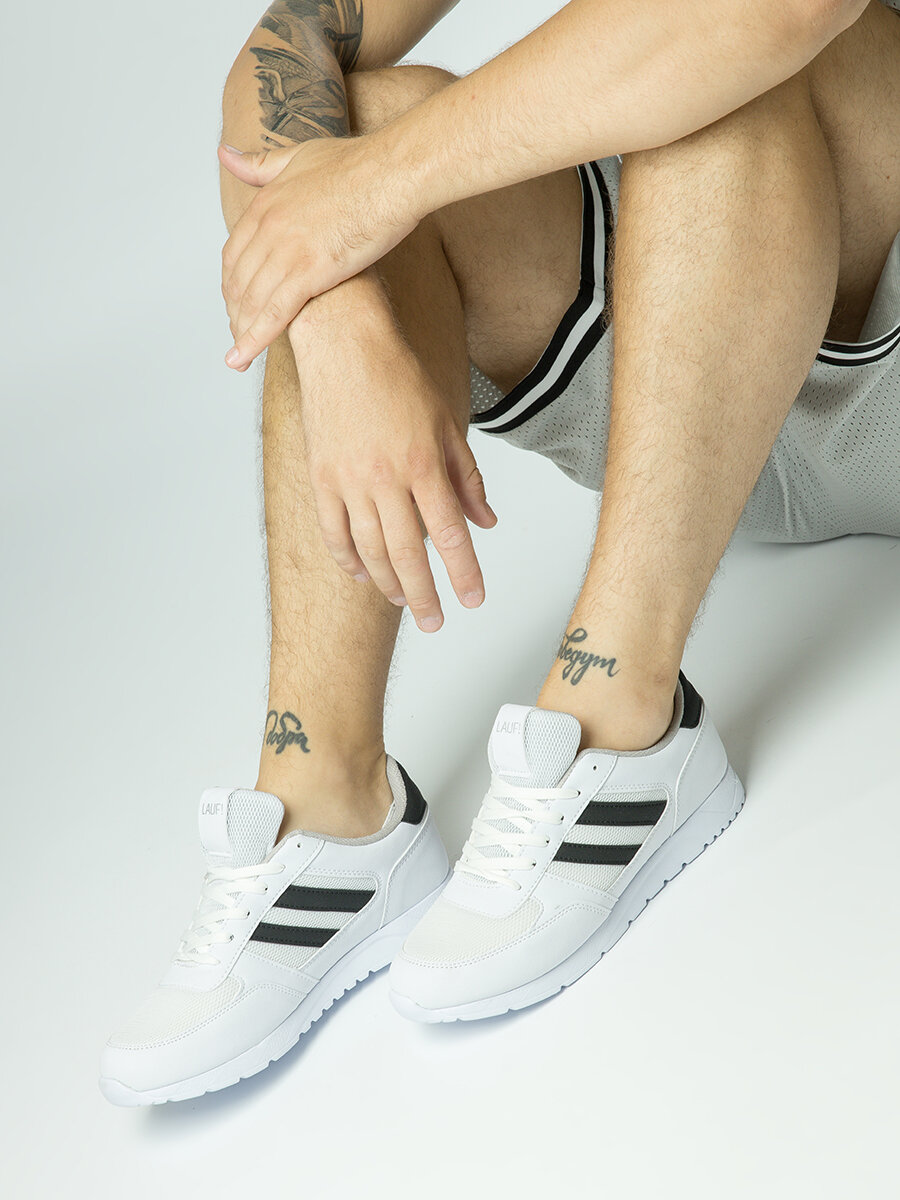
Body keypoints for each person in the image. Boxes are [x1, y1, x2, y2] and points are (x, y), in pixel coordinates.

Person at [99, 0, 900, 1104]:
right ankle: (324, 808)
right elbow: (289, 41)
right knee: (360, 112)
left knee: (750, 56)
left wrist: (369, 194)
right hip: (722, 378)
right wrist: (335, 311)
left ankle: (618, 719)